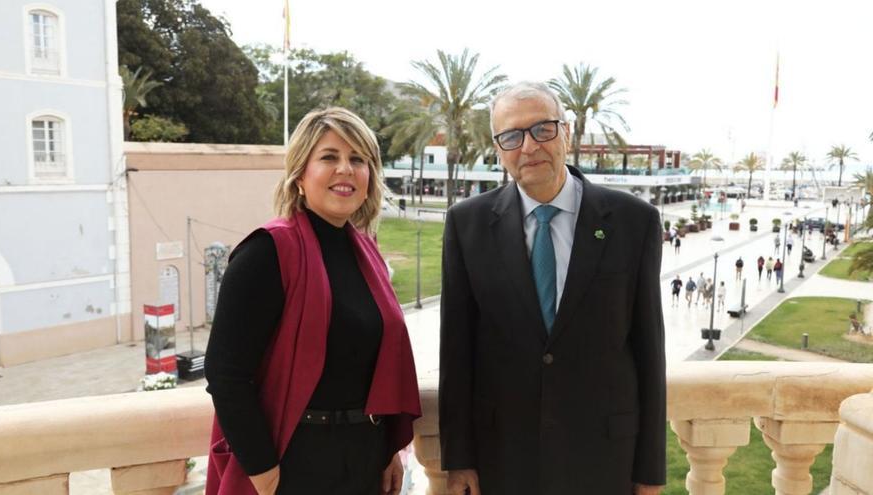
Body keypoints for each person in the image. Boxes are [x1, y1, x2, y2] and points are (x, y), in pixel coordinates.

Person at [439, 82, 666, 495]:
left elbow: (649, 351)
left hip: (602, 460)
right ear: (498, 147)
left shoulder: (634, 222)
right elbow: (457, 351)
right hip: (502, 458)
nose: (528, 147)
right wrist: (459, 460)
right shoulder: (466, 225)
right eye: (511, 136)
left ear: (566, 131)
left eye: (542, 129)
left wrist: (650, 472)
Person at [204, 108, 421, 495]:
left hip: (364, 459)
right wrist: (263, 471)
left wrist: (388, 449)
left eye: (358, 159)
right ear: (300, 175)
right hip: (293, 461)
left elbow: (375, 368)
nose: (346, 169)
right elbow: (225, 373)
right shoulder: (267, 252)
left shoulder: (366, 254)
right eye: (329, 157)